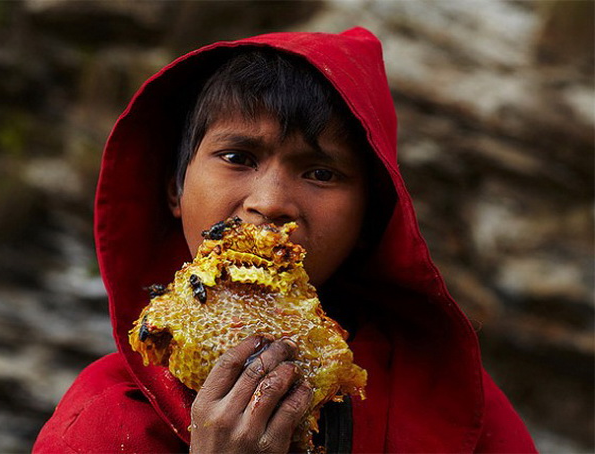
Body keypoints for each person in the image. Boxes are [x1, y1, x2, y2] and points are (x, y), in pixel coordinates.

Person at [33, 28, 537, 453]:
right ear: (175, 189)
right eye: (237, 157)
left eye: (320, 172)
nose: (271, 202)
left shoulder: (447, 398)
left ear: (371, 218)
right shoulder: (105, 420)